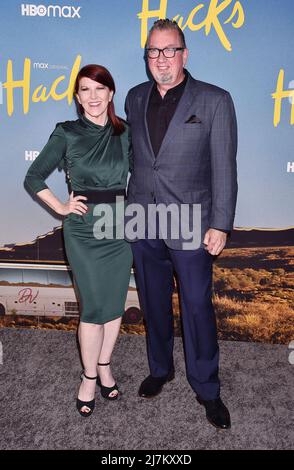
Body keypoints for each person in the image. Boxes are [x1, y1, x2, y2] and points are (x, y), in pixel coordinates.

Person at [125, 19, 238, 429]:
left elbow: (225, 168)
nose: (162, 59)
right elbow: (139, 160)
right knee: (153, 303)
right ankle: (160, 369)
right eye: (154, 52)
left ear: (185, 54)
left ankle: (207, 388)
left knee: (195, 306)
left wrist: (221, 223)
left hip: (193, 221)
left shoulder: (214, 100)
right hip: (144, 218)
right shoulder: (134, 99)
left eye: (170, 50)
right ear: (147, 57)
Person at [24, 64, 133, 417]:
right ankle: (88, 376)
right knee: (93, 308)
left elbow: (148, 172)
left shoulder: (126, 132)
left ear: (111, 93)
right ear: (76, 97)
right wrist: (61, 206)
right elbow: (33, 176)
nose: (93, 96)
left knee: (114, 305)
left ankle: (105, 365)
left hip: (118, 227)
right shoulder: (66, 133)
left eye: (99, 89)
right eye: (85, 90)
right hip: (84, 229)